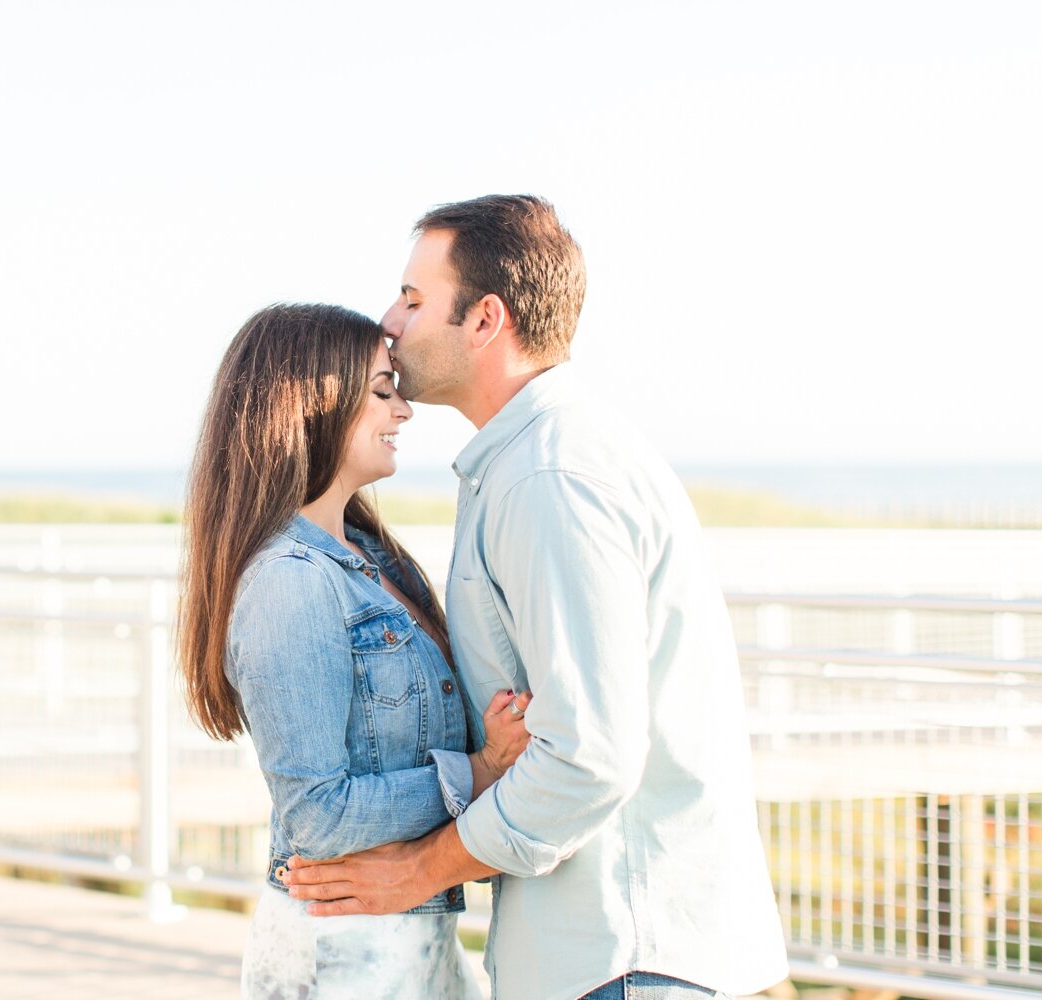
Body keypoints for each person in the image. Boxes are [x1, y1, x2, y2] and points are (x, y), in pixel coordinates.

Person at [280, 197, 790, 1000]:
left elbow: (587, 760)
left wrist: (418, 869)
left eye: (414, 298)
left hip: (623, 958)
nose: (391, 320)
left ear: (485, 319)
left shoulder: (551, 478)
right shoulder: (535, 463)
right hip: (612, 956)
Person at [178, 302, 534, 998]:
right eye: (381, 391)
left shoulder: (373, 560)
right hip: (340, 954)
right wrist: (480, 770)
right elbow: (317, 813)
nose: (403, 411)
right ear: (313, 405)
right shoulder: (289, 582)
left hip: (409, 943)